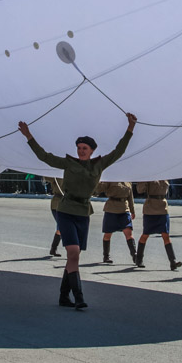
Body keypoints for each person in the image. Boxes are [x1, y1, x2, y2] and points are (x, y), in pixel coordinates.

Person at [19, 113, 136, 309]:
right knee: (72, 253)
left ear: (91, 151)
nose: (81, 151)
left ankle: (63, 296)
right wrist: (29, 136)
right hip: (66, 209)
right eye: (79, 148)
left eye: (85, 148)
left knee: (75, 255)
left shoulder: (99, 164)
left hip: (83, 212)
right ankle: (79, 297)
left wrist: (130, 128)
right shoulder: (69, 163)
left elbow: (119, 151)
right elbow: (44, 157)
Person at [134, 180, 182, 270]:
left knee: (166, 235)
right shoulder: (150, 176)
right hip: (150, 208)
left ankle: (173, 261)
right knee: (145, 234)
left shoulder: (165, 176)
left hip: (163, 208)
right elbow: (140, 190)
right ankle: (139, 259)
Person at [95, 181, 137, 264]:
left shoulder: (127, 181)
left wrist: (132, 211)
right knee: (108, 234)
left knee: (128, 232)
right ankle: (106, 256)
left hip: (124, 209)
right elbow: (98, 189)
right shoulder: (111, 179)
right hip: (111, 209)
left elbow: (130, 197)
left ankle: (135, 256)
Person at [47, 177, 64, 256]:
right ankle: (54, 248)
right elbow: (46, 177)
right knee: (62, 227)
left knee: (63, 228)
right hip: (57, 204)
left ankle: (53, 249)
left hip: (69, 204)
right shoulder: (57, 174)